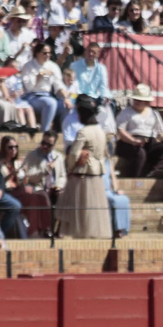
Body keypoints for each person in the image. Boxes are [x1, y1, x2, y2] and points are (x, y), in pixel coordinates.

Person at [60, 96, 111, 238]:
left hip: (82, 173)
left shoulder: (83, 132)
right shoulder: (101, 132)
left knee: (80, 210)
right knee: (94, 210)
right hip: (97, 175)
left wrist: (69, 168)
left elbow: (73, 154)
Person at [114, 84, 163, 177]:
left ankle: (158, 170)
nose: (136, 102)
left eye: (139, 100)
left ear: (146, 102)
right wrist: (133, 141)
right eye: (135, 99)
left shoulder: (154, 113)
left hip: (150, 142)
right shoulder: (126, 112)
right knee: (140, 153)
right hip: (128, 143)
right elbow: (120, 130)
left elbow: (161, 132)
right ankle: (135, 178)